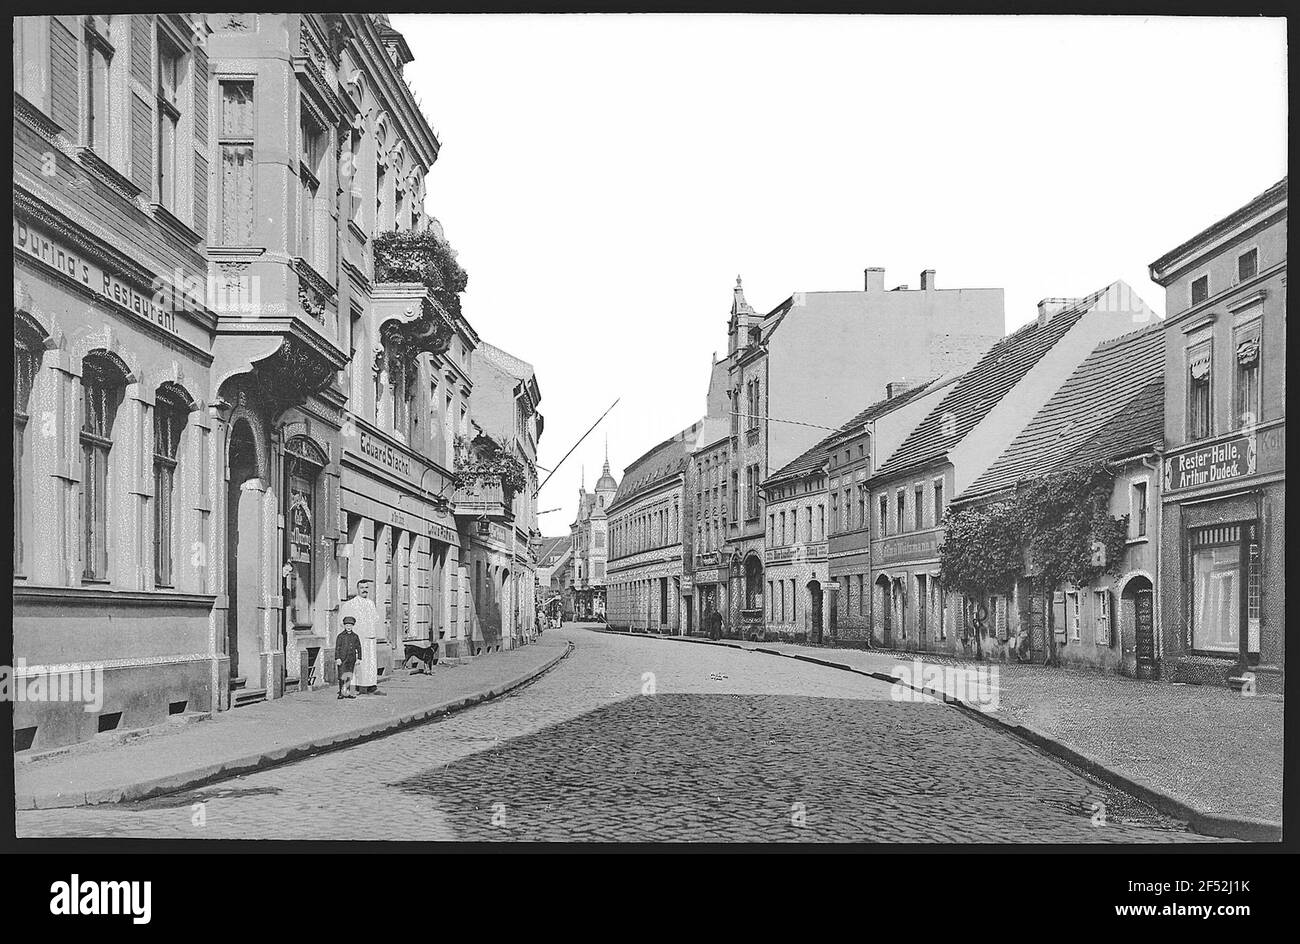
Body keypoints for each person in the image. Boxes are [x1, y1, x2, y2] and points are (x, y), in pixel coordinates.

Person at [340, 579, 385, 696]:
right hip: (359, 639)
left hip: (370, 639)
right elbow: (344, 620)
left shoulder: (371, 603)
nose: (364, 590)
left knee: (370, 664)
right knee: (359, 664)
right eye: (362, 588)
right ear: (357, 589)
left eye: (366, 587)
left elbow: (376, 619)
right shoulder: (352, 604)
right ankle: (356, 688)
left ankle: (371, 687)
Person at [335, 617, 362, 699]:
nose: (348, 627)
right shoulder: (340, 636)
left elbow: (359, 647)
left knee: (349, 675)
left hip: (351, 659)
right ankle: (341, 693)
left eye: (350, 625)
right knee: (341, 675)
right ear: (344, 626)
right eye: (347, 625)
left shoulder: (355, 636)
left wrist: (359, 658)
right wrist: (337, 658)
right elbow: (337, 648)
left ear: (353, 626)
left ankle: (348, 692)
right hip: (342, 659)